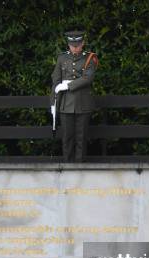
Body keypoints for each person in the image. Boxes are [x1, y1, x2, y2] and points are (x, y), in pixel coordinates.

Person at [50, 30, 98, 162]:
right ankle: (68, 166)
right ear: (68, 44)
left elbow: (88, 78)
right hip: (66, 104)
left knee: (81, 137)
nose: (75, 47)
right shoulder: (62, 58)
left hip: (83, 103)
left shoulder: (90, 57)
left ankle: (79, 167)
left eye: (77, 45)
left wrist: (68, 85)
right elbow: (55, 81)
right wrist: (53, 103)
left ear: (83, 43)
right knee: (67, 137)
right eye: (72, 45)